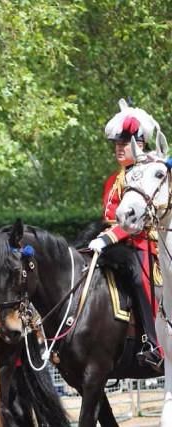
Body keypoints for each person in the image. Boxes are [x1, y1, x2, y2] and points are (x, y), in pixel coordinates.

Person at [88, 98, 162, 370]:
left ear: (139, 146)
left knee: (136, 275)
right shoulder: (113, 179)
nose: (119, 148)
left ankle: (152, 342)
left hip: (142, 244)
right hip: (115, 243)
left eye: (125, 143)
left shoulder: (146, 175)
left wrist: (108, 238)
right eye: (117, 144)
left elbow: (137, 221)